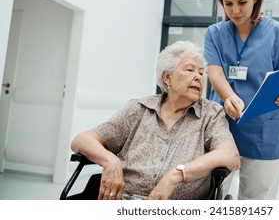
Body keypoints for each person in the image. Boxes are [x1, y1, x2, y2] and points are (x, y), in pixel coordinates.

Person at [71, 40, 240, 200]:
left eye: (201, 72)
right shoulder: (138, 109)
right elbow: (82, 140)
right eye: (190, 70)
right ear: (167, 78)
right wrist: (110, 161)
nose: (198, 77)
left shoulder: (210, 114)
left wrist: (176, 175)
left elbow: (230, 155)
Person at [204, 0, 279, 200]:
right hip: (223, 129)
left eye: (242, 2)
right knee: (213, 197)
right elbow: (215, 73)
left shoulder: (278, 33)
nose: (235, 11)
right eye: (228, 4)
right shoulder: (214, 34)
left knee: (256, 204)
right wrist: (228, 97)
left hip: (264, 132)